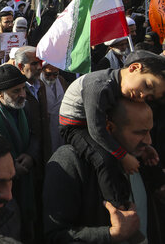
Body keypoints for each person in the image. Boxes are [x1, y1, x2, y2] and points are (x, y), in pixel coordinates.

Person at [43, 98, 165, 243]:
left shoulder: (142, 157)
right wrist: (110, 234)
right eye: (140, 132)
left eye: (150, 131)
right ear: (109, 127)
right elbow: (55, 236)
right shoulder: (70, 162)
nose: (149, 140)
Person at [58, 51, 165, 210]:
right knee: (103, 157)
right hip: (75, 127)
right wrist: (123, 156)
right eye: (147, 85)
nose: (142, 95)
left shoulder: (120, 86)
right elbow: (97, 130)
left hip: (95, 124)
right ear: (134, 68)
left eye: (149, 97)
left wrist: (142, 147)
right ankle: (118, 206)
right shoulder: (100, 86)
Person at [0, 64, 40, 242]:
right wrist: (11, 165)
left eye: (23, 89)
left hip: (27, 177)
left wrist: (30, 156)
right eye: (16, 91)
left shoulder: (25, 107)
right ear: (0, 94)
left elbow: (35, 135)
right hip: (2, 186)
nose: (23, 95)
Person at [40, 62, 68, 153]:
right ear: (42, 71)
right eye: (48, 74)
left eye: (55, 74)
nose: (52, 77)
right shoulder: (38, 84)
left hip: (60, 121)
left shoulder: (61, 80)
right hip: (46, 124)